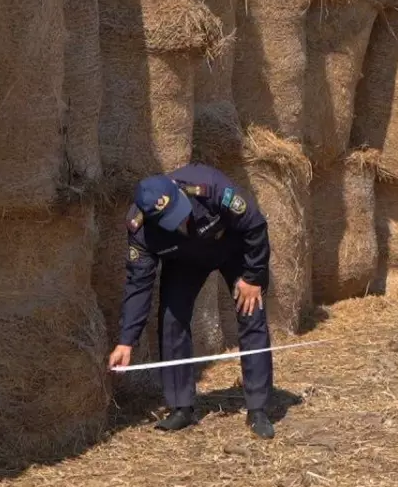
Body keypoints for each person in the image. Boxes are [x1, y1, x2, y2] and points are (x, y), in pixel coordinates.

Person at [107, 163, 277, 438]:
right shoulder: (139, 231)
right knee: (172, 318)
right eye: (171, 221)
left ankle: (258, 409)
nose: (182, 221)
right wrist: (127, 340)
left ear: (177, 190)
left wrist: (254, 277)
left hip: (232, 248)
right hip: (186, 260)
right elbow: (138, 285)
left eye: (179, 212)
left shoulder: (209, 186)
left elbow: (255, 224)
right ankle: (181, 408)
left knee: (250, 313)